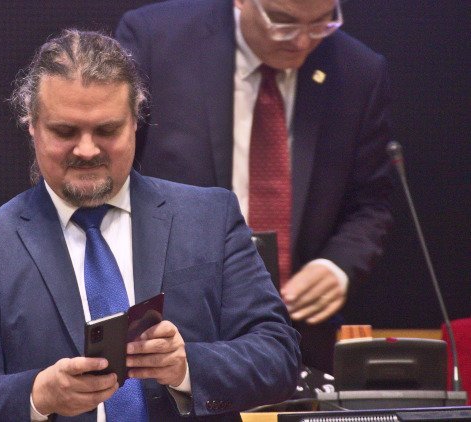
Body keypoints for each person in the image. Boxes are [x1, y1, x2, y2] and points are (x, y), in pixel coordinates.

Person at [0, 29, 300, 421]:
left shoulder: (210, 217)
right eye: (65, 131)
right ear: (32, 125)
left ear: (135, 122)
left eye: (106, 130)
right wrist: (38, 395)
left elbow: (279, 359)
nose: (87, 150)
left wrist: (186, 367)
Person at [116, 0, 394, 373]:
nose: (301, 41)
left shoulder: (357, 71)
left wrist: (337, 265)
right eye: (282, 21)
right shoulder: (157, 41)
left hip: (298, 341)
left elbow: (371, 204)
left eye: (321, 23)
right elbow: (114, 176)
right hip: (172, 332)